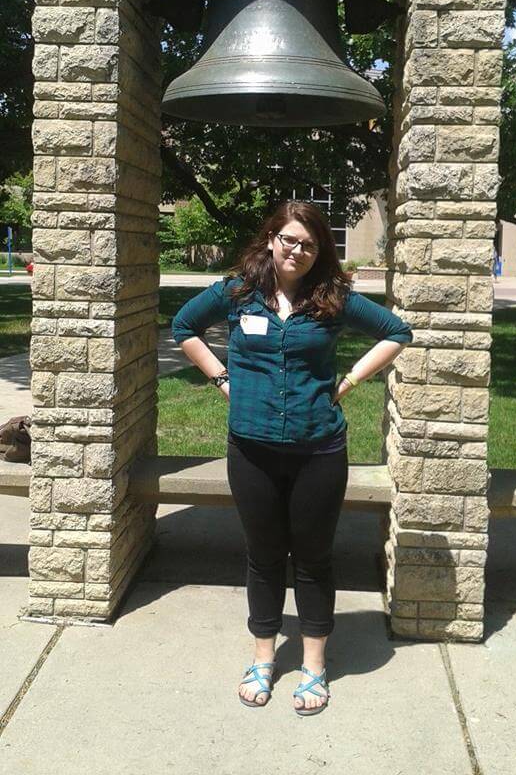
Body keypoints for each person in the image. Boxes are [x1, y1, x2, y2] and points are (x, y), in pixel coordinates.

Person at [171, 200, 413, 717]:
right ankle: (262, 658)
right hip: (251, 449)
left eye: (309, 243)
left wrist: (346, 381)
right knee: (262, 555)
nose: (297, 251)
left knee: (313, 558)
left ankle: (314, 666)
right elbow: (184, 326)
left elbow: (397, 332)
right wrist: (221, 379)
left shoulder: (333, 297)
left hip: (317, 450)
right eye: (289, 240)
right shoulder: (239, 291)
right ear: (272, 239)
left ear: (319, 250)